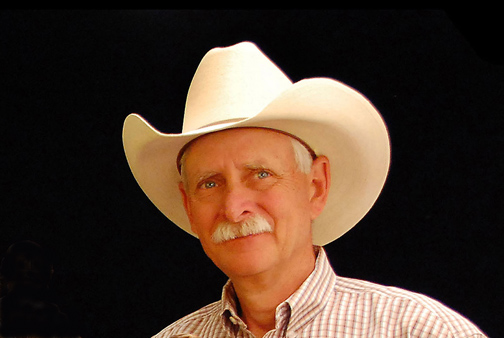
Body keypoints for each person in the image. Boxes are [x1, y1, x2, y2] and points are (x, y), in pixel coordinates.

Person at [122, 42, 487, 338]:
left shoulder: (418, 330)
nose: (234, 208)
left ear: (316, 186)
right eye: (210, 183)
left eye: (260, 174)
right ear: (188, 205)